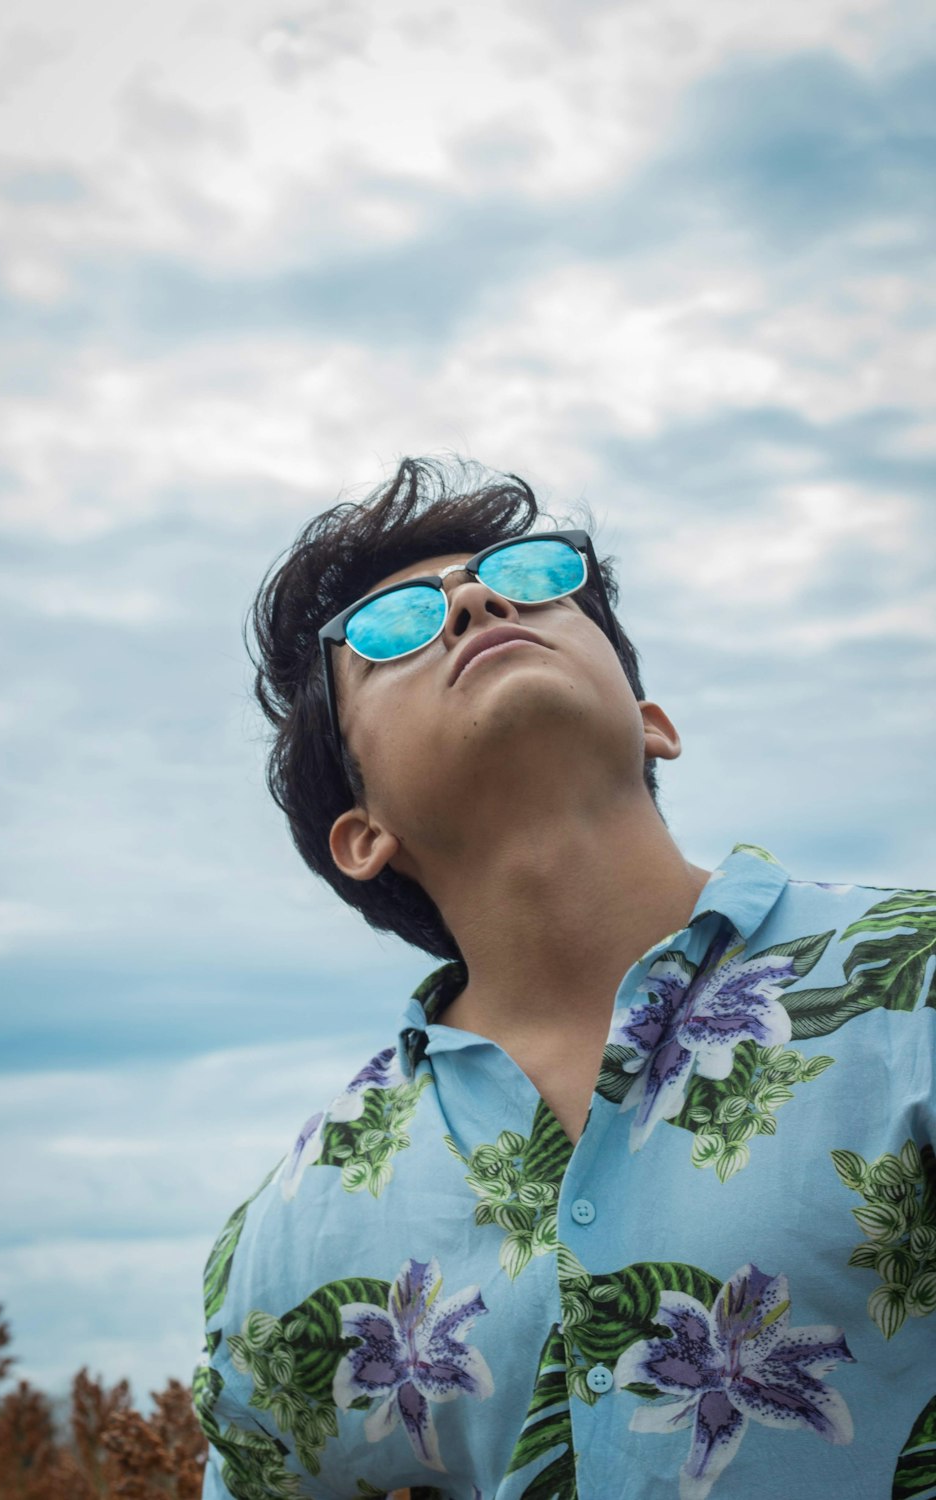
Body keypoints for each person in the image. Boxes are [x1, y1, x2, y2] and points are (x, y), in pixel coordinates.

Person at [192, 456, 935, 1500]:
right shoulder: (300, 1220)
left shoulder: (915, 986)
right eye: (391, 629)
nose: (474, 599)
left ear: (651, 722)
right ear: (361, 837)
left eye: (532, 580)